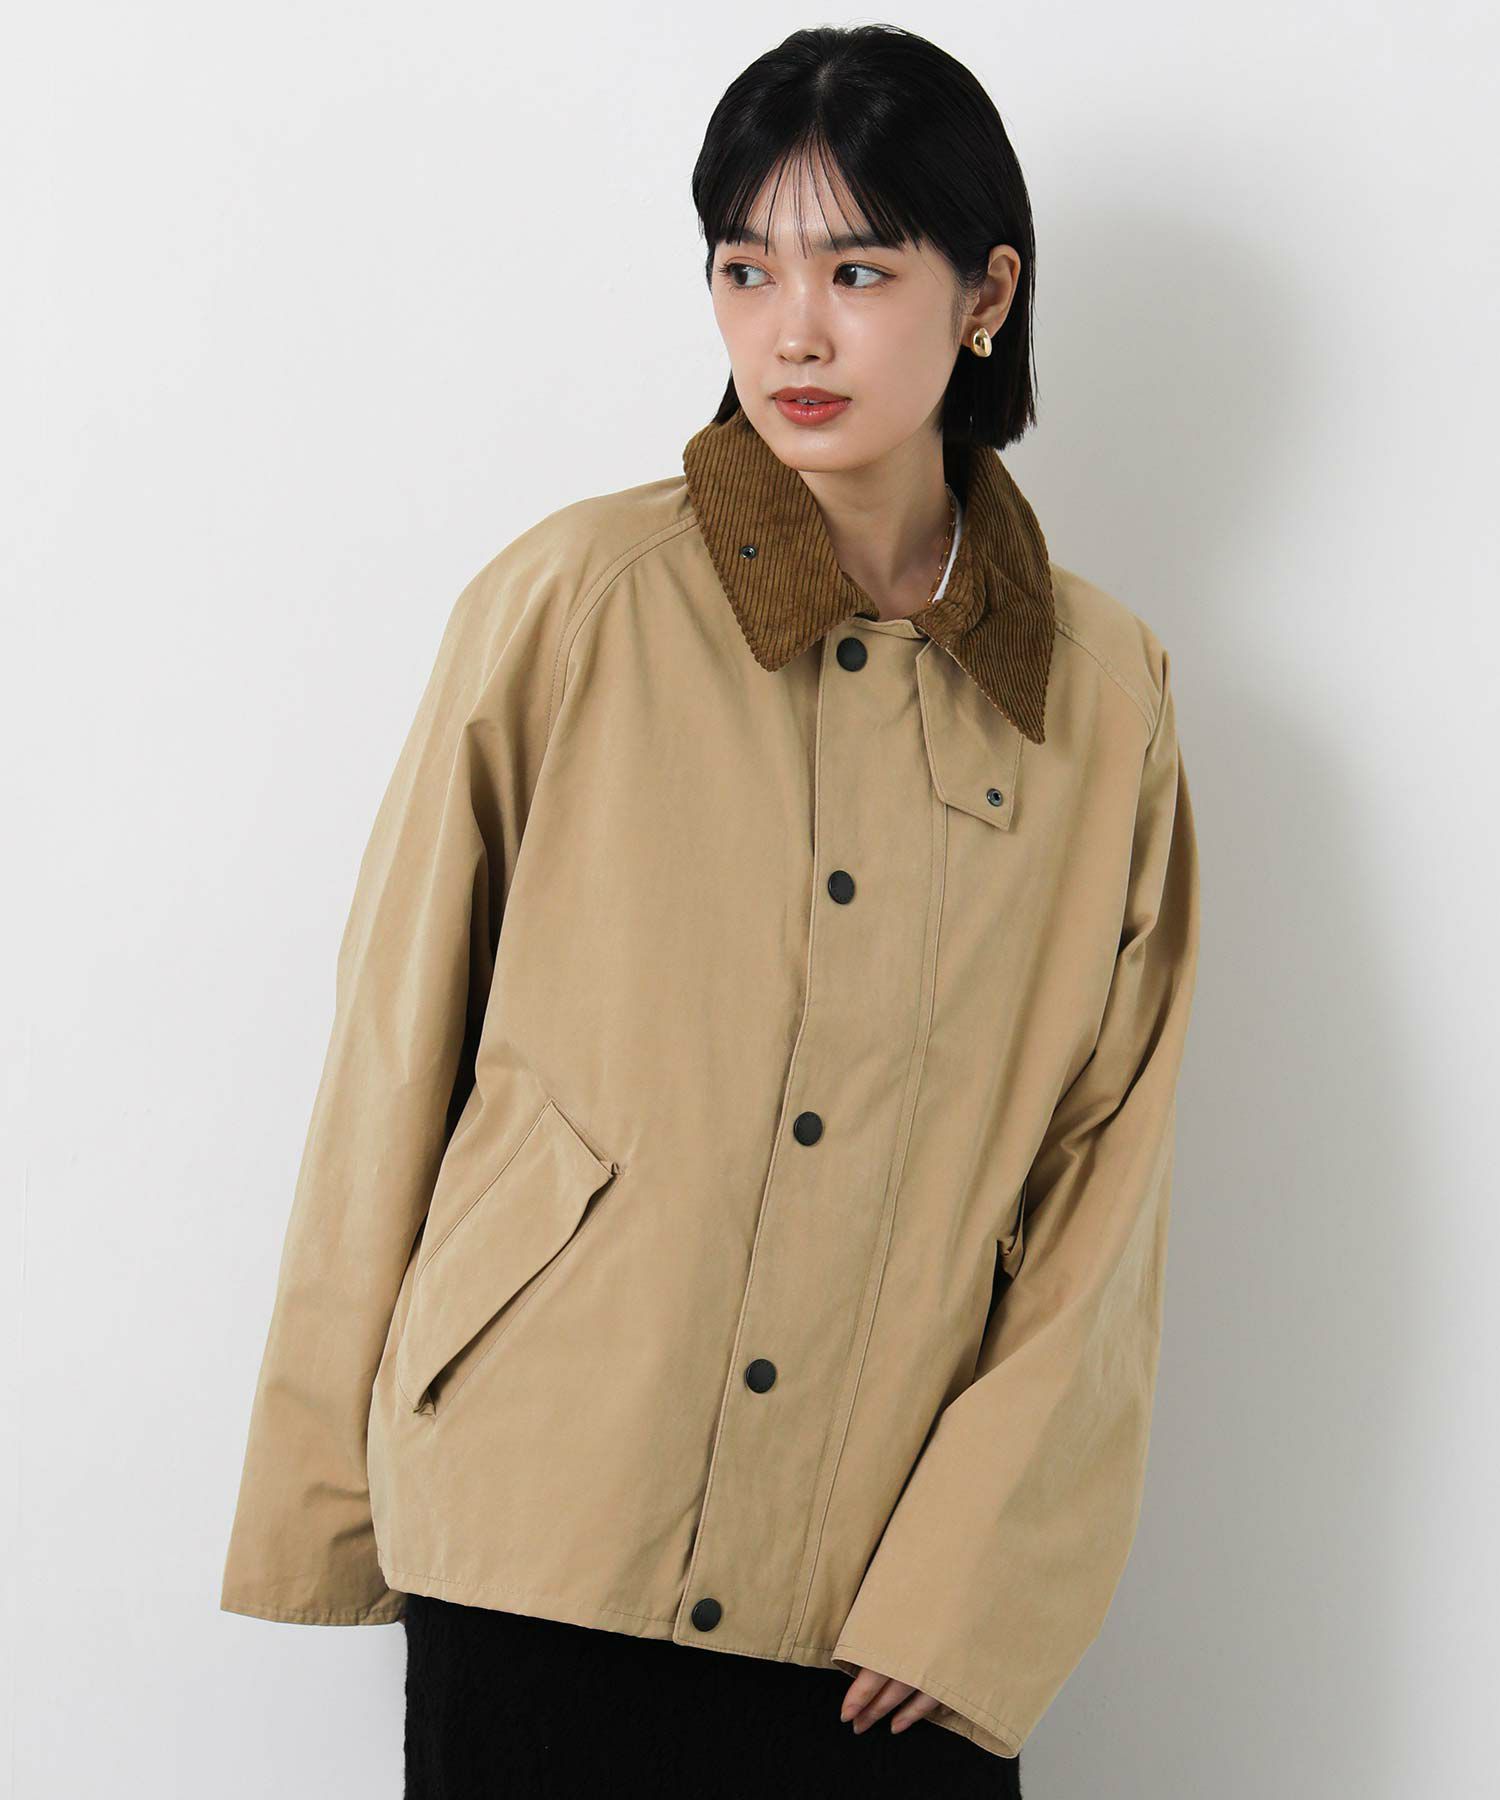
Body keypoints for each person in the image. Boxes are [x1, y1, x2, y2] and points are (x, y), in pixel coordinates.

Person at [220, 24, 1202, 1798]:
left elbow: (1103, 1187)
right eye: (747, 270)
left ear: (987, 295)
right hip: (543, 1529)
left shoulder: (1103, 696)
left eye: (858, 272)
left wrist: (975, 1586)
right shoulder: (578, 599)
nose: (793, 333)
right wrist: (330, 1499)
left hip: (877, 1604)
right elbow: (395, 1049)